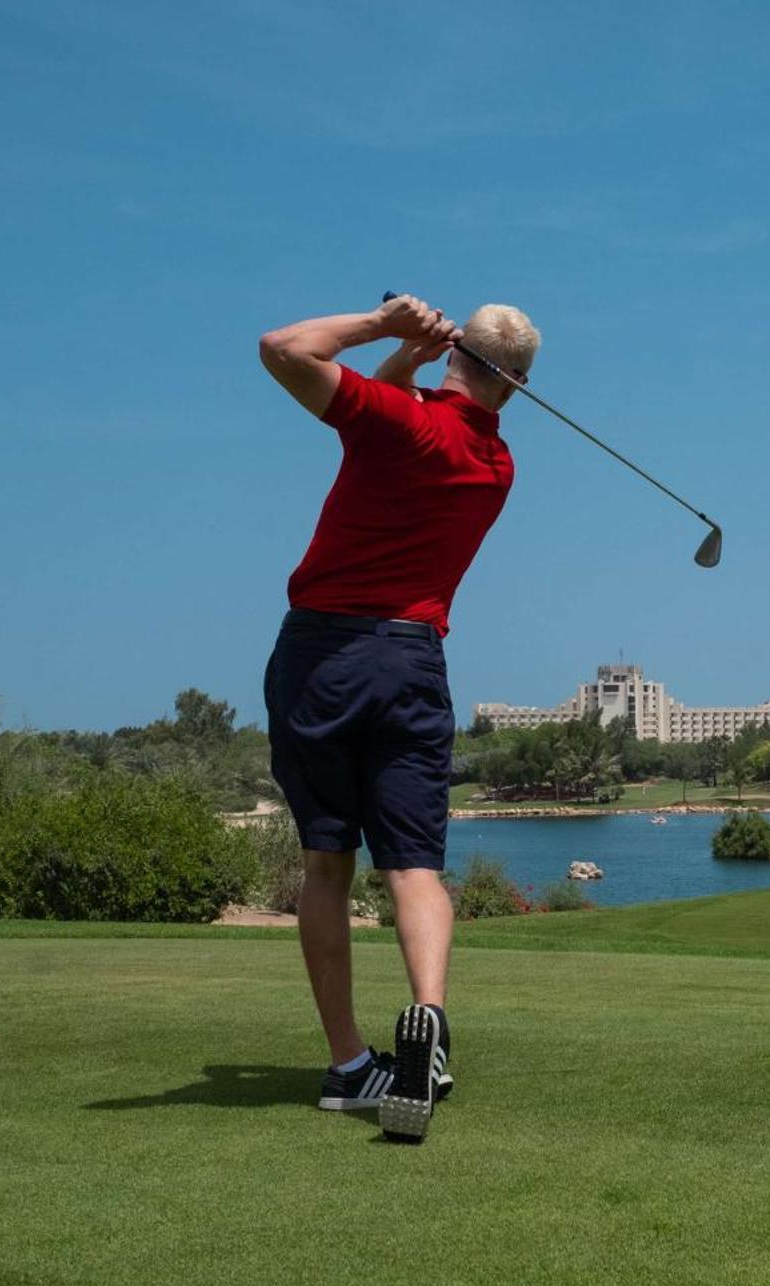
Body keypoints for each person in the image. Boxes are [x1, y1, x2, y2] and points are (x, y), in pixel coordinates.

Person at [257, 293, 540, 1142]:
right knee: (414, 868)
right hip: (413, 661)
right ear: (515, 387)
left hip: (322, 658)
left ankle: (350, 1066)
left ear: (458, 353)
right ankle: (430, 1024)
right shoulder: (495, 466)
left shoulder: (396, 421)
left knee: (327, 866)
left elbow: (282, 348)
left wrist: (388, 329)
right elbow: (379, 427)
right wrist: (420, 362)